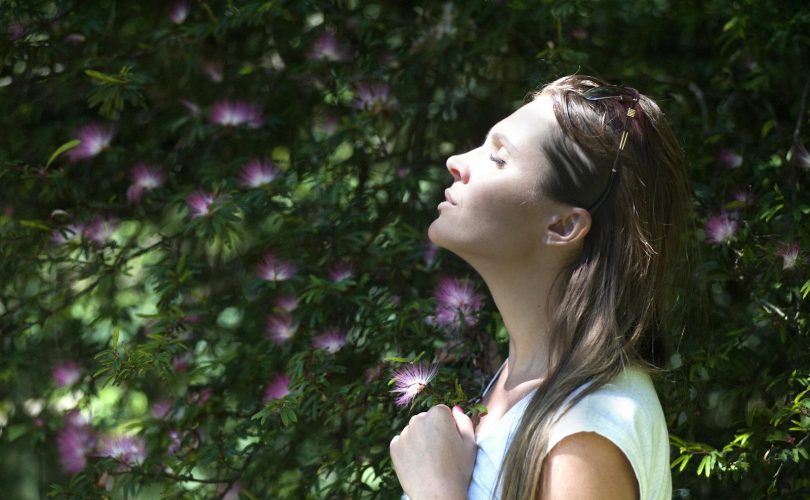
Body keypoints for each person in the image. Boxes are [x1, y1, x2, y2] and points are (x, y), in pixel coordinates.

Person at [389, 74, 690, 499]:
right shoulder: (517, 386)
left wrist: (434, 490)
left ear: (564, 225)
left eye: (498, 158)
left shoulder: (585, 432)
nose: (457, 160)